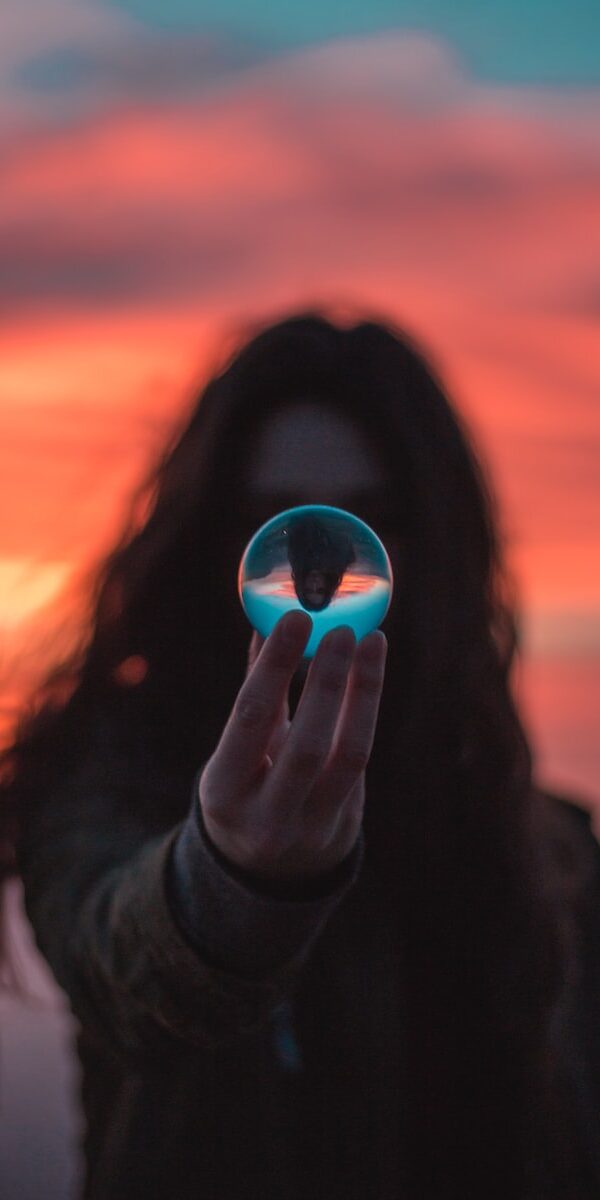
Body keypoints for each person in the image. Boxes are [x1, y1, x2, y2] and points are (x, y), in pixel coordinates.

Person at [1, 309, 599, 1199]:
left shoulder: (552, 856)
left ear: (432, 540)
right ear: (213, 535)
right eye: (270, 519)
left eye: (368, 516)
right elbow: (119, 953)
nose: (317, 567)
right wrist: (234, 880)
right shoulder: (109, 778)